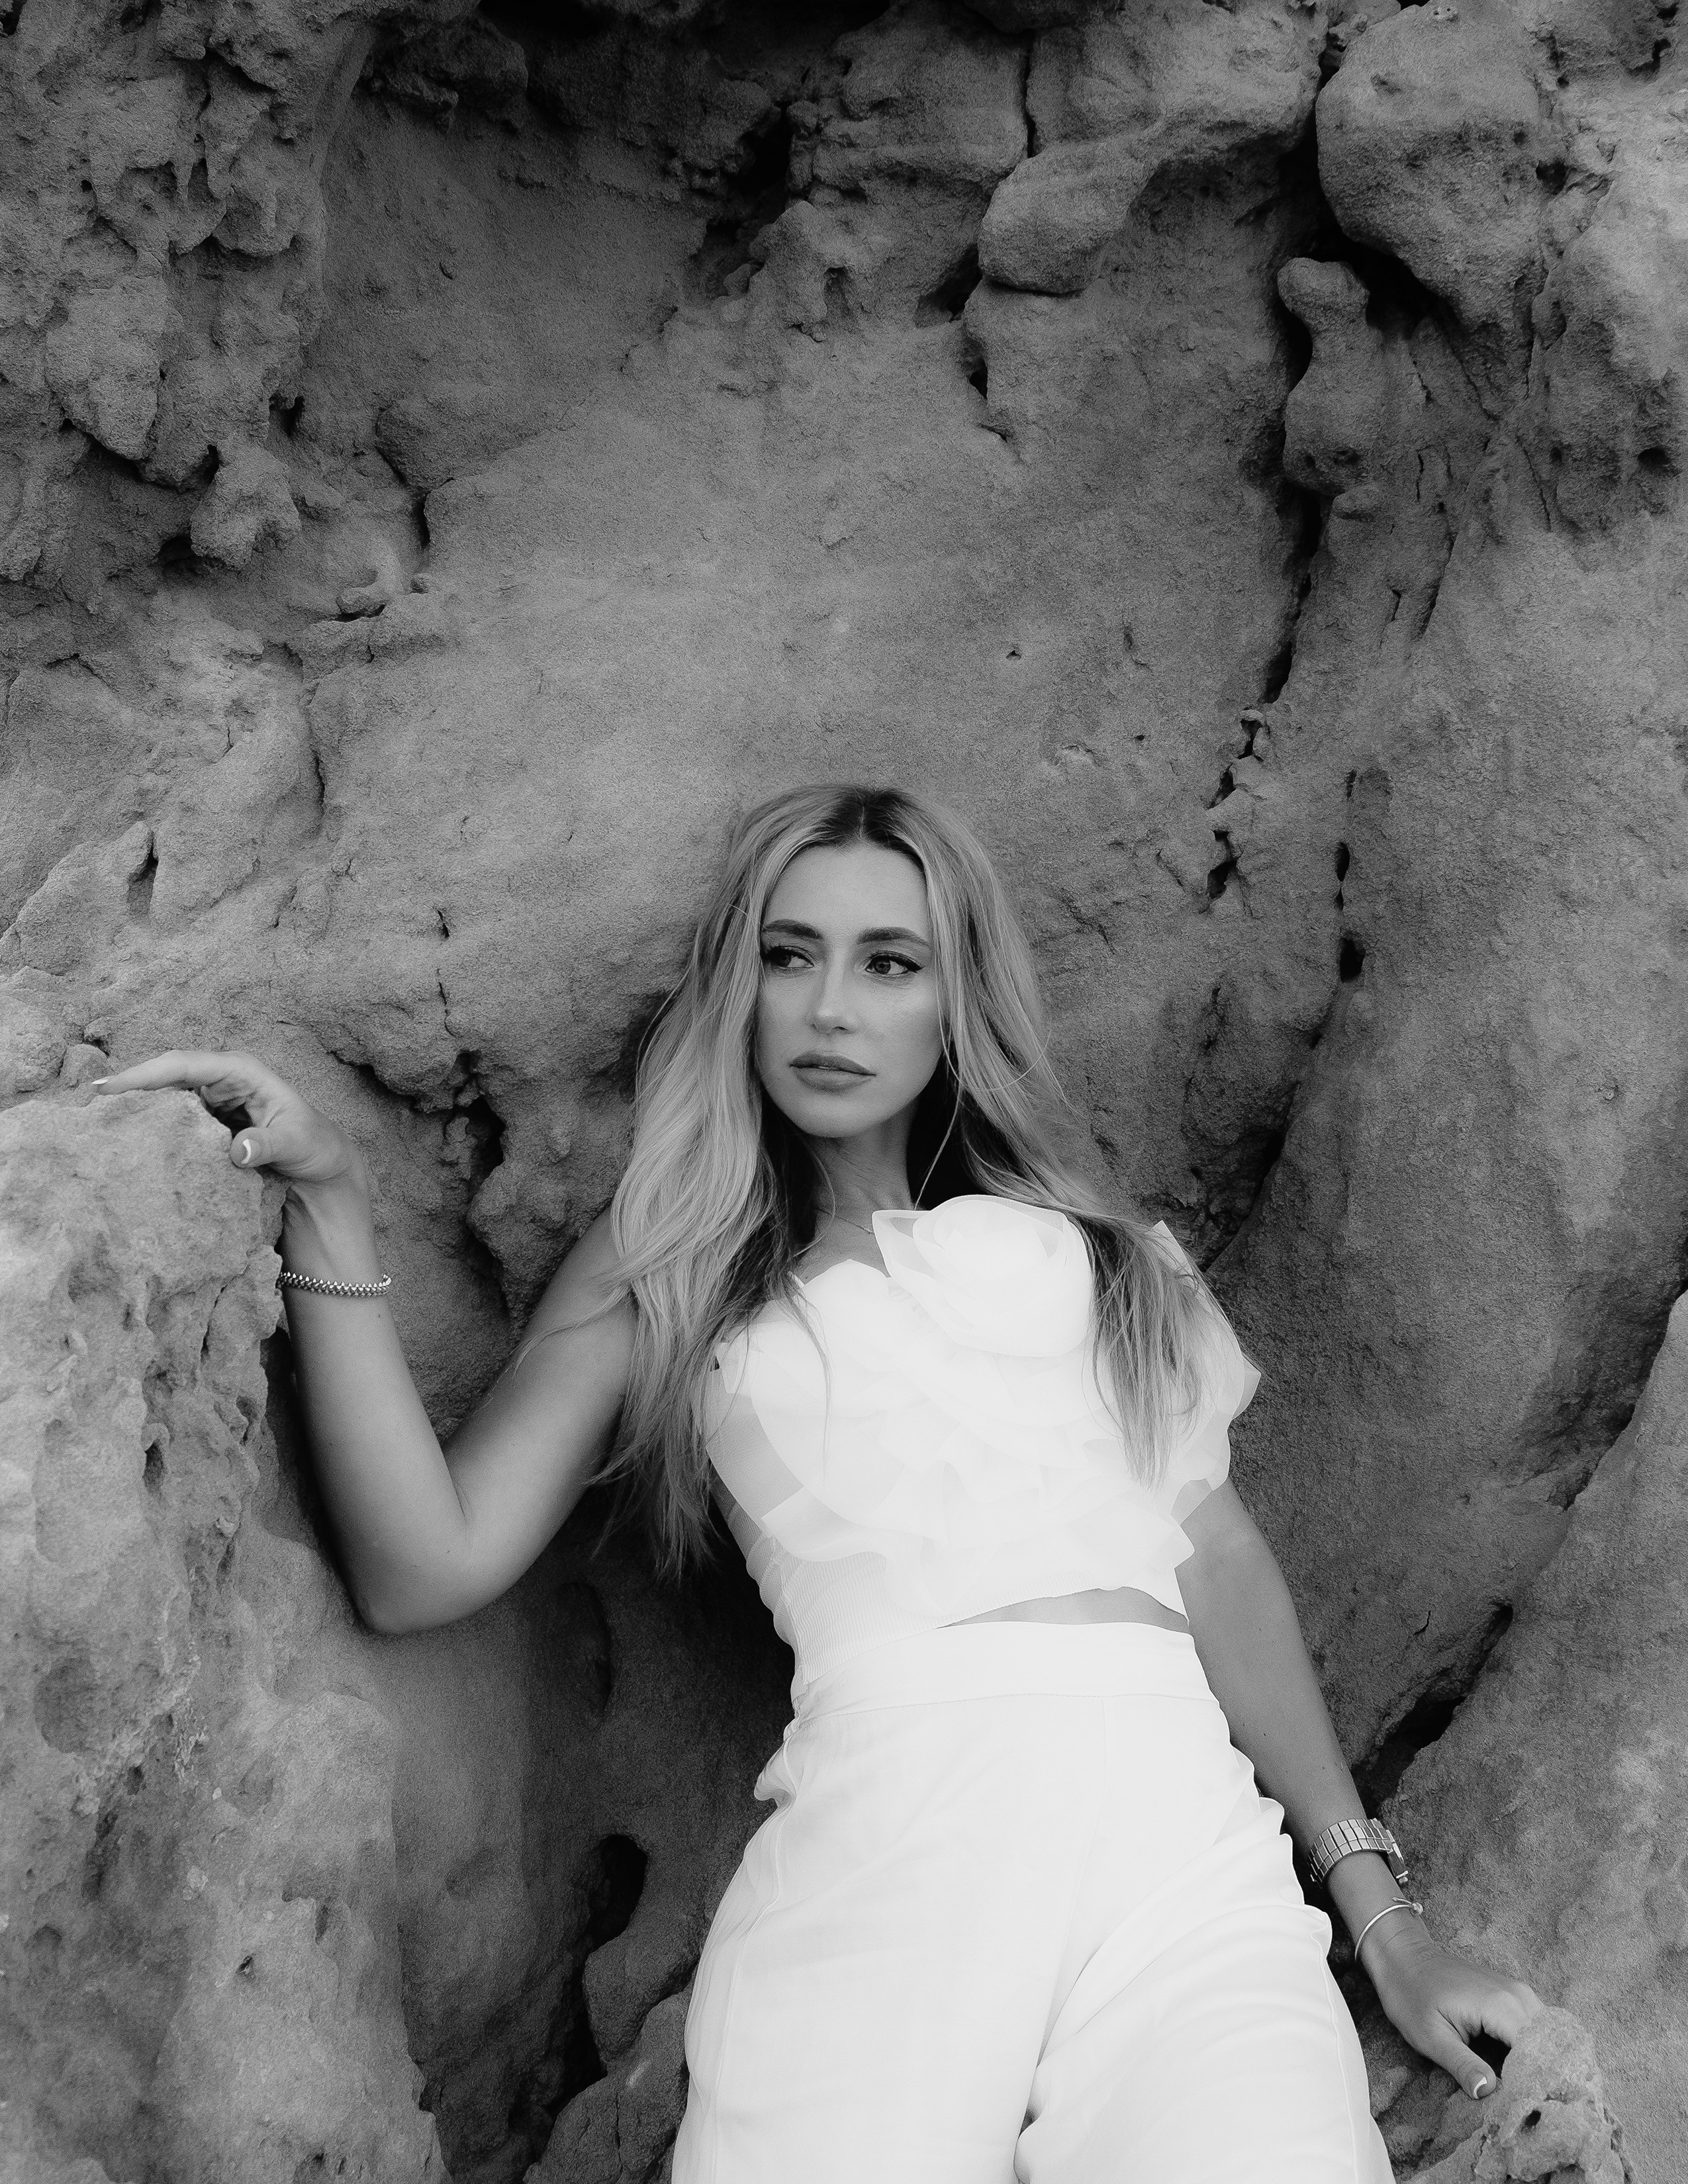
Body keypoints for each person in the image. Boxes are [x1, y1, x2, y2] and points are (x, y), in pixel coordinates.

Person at [97, 784, 1540, 2182]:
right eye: (790, 957)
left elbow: (1217, 1567)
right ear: (741, 988)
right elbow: (427, 1565)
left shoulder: (1091, 1254)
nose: (833, 1007)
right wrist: (331, 1195)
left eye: (889, 962)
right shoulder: (670, 1261)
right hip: (890, 1857)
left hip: (1183, 1857)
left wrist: (1384, 1922)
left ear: (953, 999)